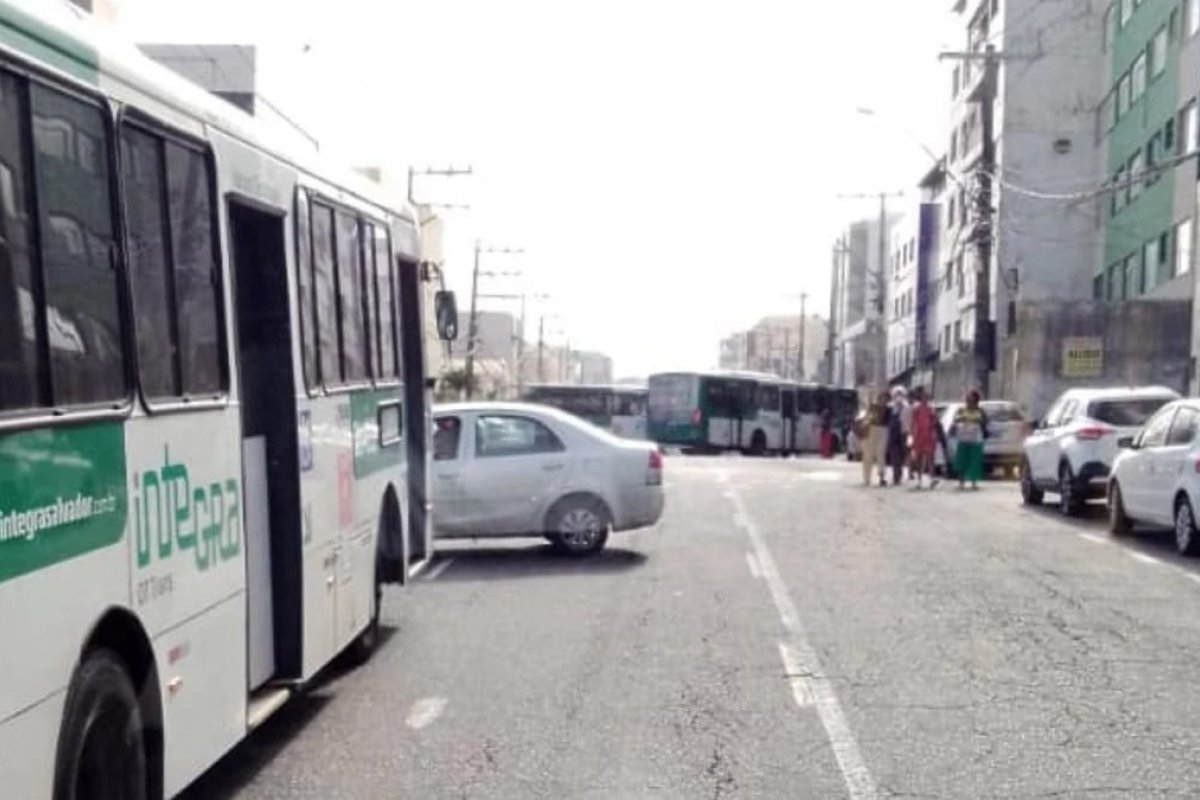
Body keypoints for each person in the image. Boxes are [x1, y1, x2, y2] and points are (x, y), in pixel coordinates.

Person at [950, 389, 989, 490]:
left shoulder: (980, 411)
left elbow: (985, 422)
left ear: (975, 399)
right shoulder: (962, 410)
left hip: (976, 439)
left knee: (974, 461)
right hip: (963, 438)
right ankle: (961, 482)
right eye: (967, 397)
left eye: (970, 396)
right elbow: (955, 421)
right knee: (962, 460)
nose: (968, 398)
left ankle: (973, 482)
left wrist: (978, 422)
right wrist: (957, 424)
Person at [909, 386, 939, 489]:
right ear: (920, 398)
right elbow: (913, 422)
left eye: (927, 397)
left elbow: (935, 420)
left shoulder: (931, 408)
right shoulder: (916, 409)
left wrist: (932, 427)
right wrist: (913, 434)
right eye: (923, 396)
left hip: (929, 435)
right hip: (919, 435)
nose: (925, 398)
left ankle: (932, 478)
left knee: (930, 457)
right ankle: (919, 479)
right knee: (919, 458)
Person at [861, 391, 890, 487]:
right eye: (882, 398)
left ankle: (881, 477)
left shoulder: (889, 409)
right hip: (872, 429)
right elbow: (867, 415)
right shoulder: (873, 407)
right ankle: (867, 479)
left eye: (886, 398)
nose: (884, 400)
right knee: (868, 454)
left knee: (881, 453)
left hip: (883, 430)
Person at [886, 386, 909, 487]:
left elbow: (909, 420)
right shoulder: (890, 406)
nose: (898, 396)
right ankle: (896, 475)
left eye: (900, 394)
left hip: (903, 432)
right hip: (892, 432)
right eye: (896, 394)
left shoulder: (907, 406)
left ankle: (899, 472)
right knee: (894, 453)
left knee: (903, 453)